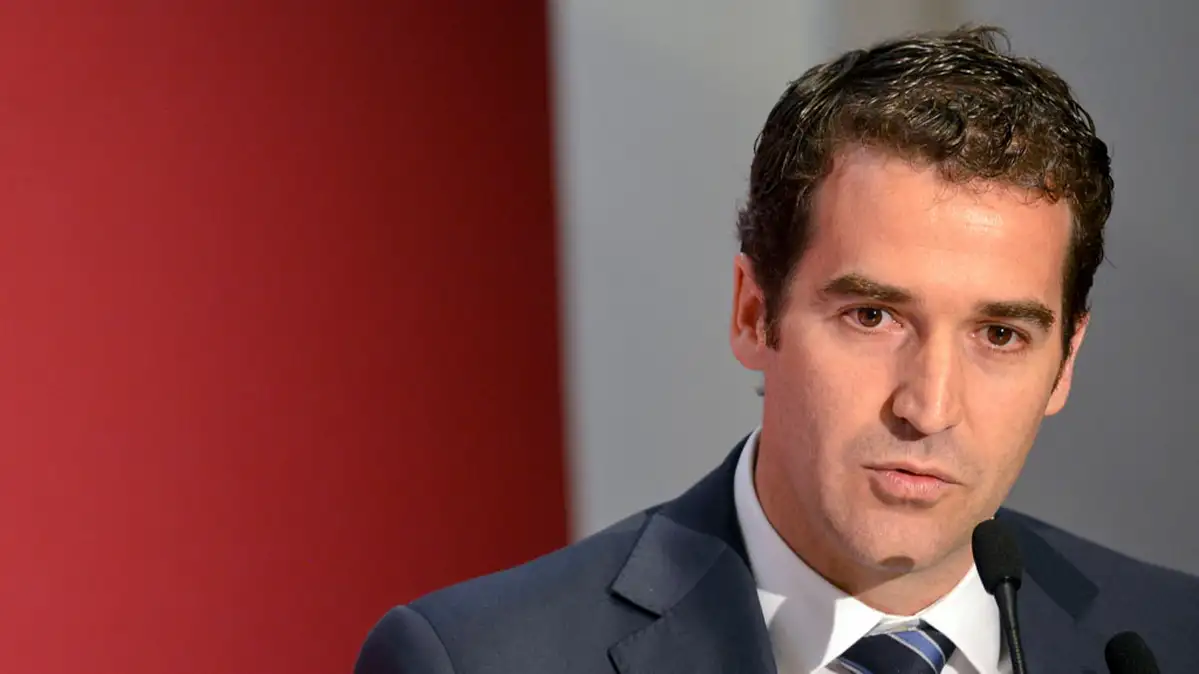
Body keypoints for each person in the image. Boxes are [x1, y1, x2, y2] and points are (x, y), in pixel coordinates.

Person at [355, 25, 1199, 674]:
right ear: (754, 312)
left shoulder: (1172, 638)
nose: (928, 406)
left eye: (1000, 335)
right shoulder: (480, 658)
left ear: (1065, 362)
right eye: (872, 316)